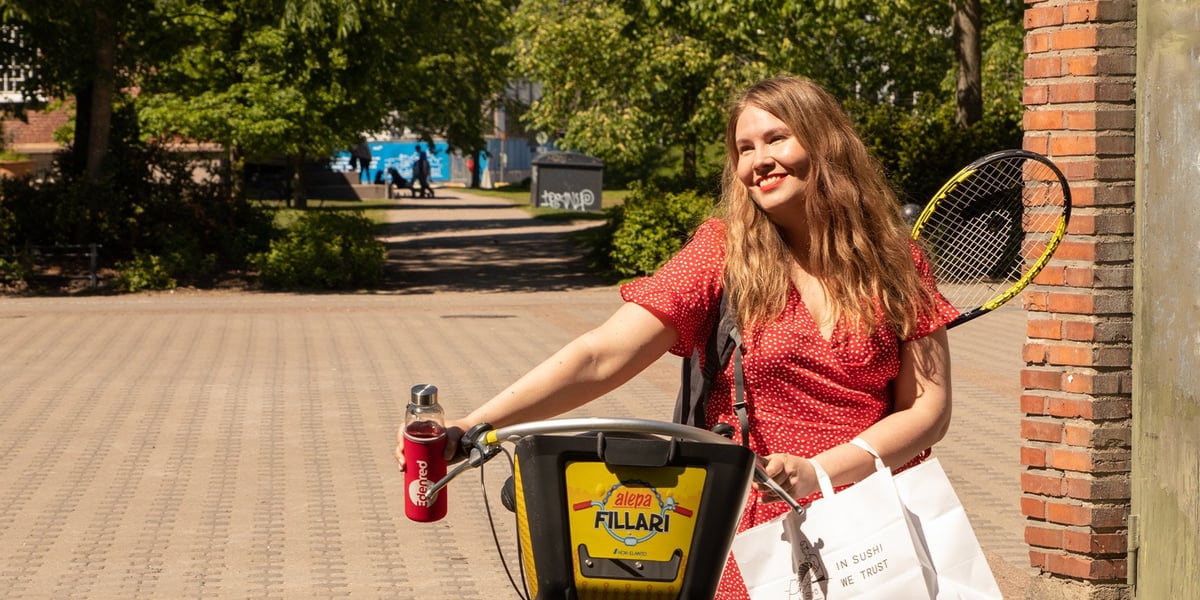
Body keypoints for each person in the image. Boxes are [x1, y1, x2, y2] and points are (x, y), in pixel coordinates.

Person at [394, 76, 958, 598]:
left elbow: (927, 408)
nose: (758, 161)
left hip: (871, 517)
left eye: (776, 139)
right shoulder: (724, 252)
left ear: (826, 142)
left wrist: (823, 470)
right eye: (744, 148)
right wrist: (473, 423)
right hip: (746, 523)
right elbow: (601, 354)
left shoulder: (898, 263)